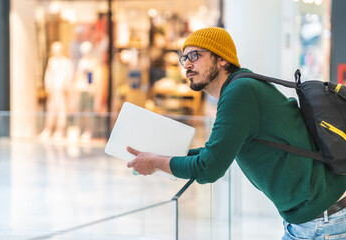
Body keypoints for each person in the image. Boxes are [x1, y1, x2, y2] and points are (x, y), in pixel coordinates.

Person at [126, 27, 346, 239]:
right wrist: (162, 157)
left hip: (322, 220)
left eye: (195, 55)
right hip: (321, 215)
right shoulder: (242, 88)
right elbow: (215, 152)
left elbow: (208, 168)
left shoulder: (239, 93)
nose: (188, 64)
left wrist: (157, 163)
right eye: (184, 58)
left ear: (222, 58)